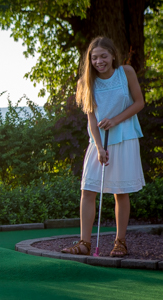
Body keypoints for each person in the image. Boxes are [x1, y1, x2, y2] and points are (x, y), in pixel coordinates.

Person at [61, 36, 145, 257]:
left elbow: (139, 103)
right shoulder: (85, 82)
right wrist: (98, 147)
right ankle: (84, 244)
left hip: (125, 138)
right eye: (94, 57)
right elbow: (91, 118)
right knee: (88, 190)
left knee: (120, 192)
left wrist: (115, 120)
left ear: (113, 55)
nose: (99, 61)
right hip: (98, 141)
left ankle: (120, 242)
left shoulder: (126, 72)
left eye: (103, 56)